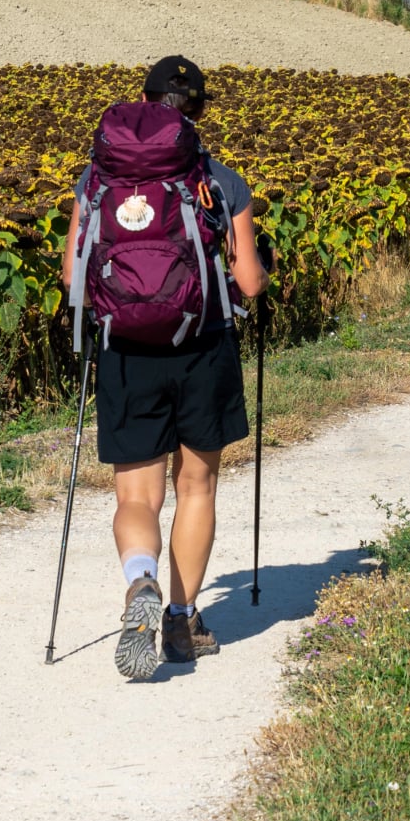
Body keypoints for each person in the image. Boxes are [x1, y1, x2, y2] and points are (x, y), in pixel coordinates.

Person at [61, 55, 267, 678]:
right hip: (203, 347)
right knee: (196, 486)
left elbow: (74, 277)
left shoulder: (97, 179)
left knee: (136, 493)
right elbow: (250, 284)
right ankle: (180, 619)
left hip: (127, 352)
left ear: (143, 102)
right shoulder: (221, 181)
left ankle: (140, 580)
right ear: (198, 112)